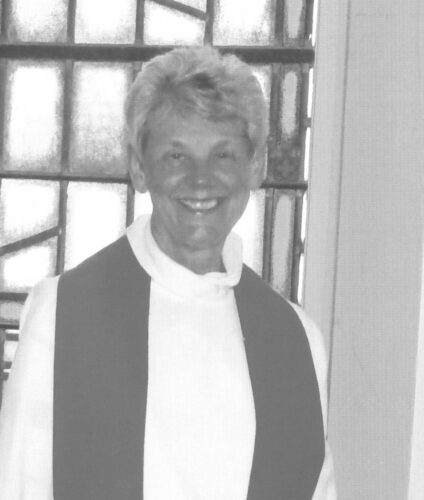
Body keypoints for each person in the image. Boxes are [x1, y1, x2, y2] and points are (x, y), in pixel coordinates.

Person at [0, 46, 336, 499]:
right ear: (139, 167)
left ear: (256, 167)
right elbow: (16, 485)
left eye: (223, 155)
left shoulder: (295, 338)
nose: (201, 180)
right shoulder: (64, 315)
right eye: (176, 156)